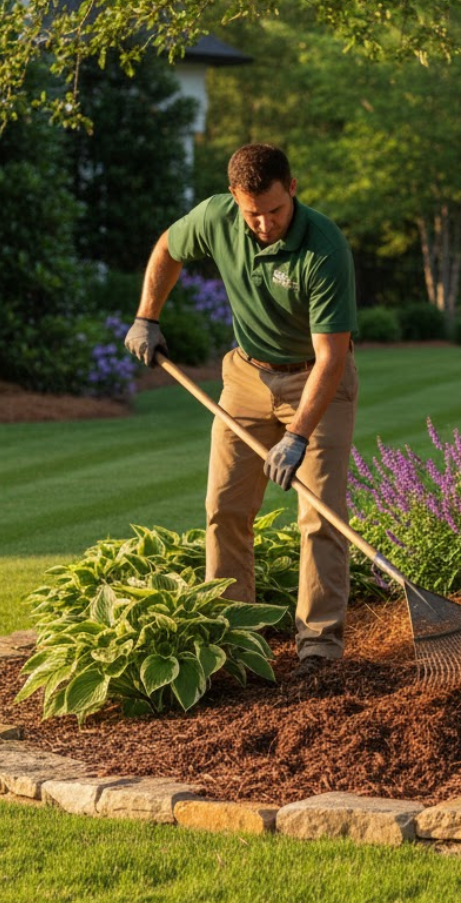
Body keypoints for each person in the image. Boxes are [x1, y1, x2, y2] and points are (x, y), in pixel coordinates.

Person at [124, 143, 359, 678]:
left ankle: (319, 648)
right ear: (234, 199)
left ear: (292, 189)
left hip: (316, 379)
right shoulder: (217, 217)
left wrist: (297, 436)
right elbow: (168, 246)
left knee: (320, 514)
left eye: (274, 211)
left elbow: (330, 357)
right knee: (225, 507)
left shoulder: (324, 248)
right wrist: (147, 316)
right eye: (252, 212)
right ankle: (233, 636)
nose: (263, 223)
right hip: (245, 376)